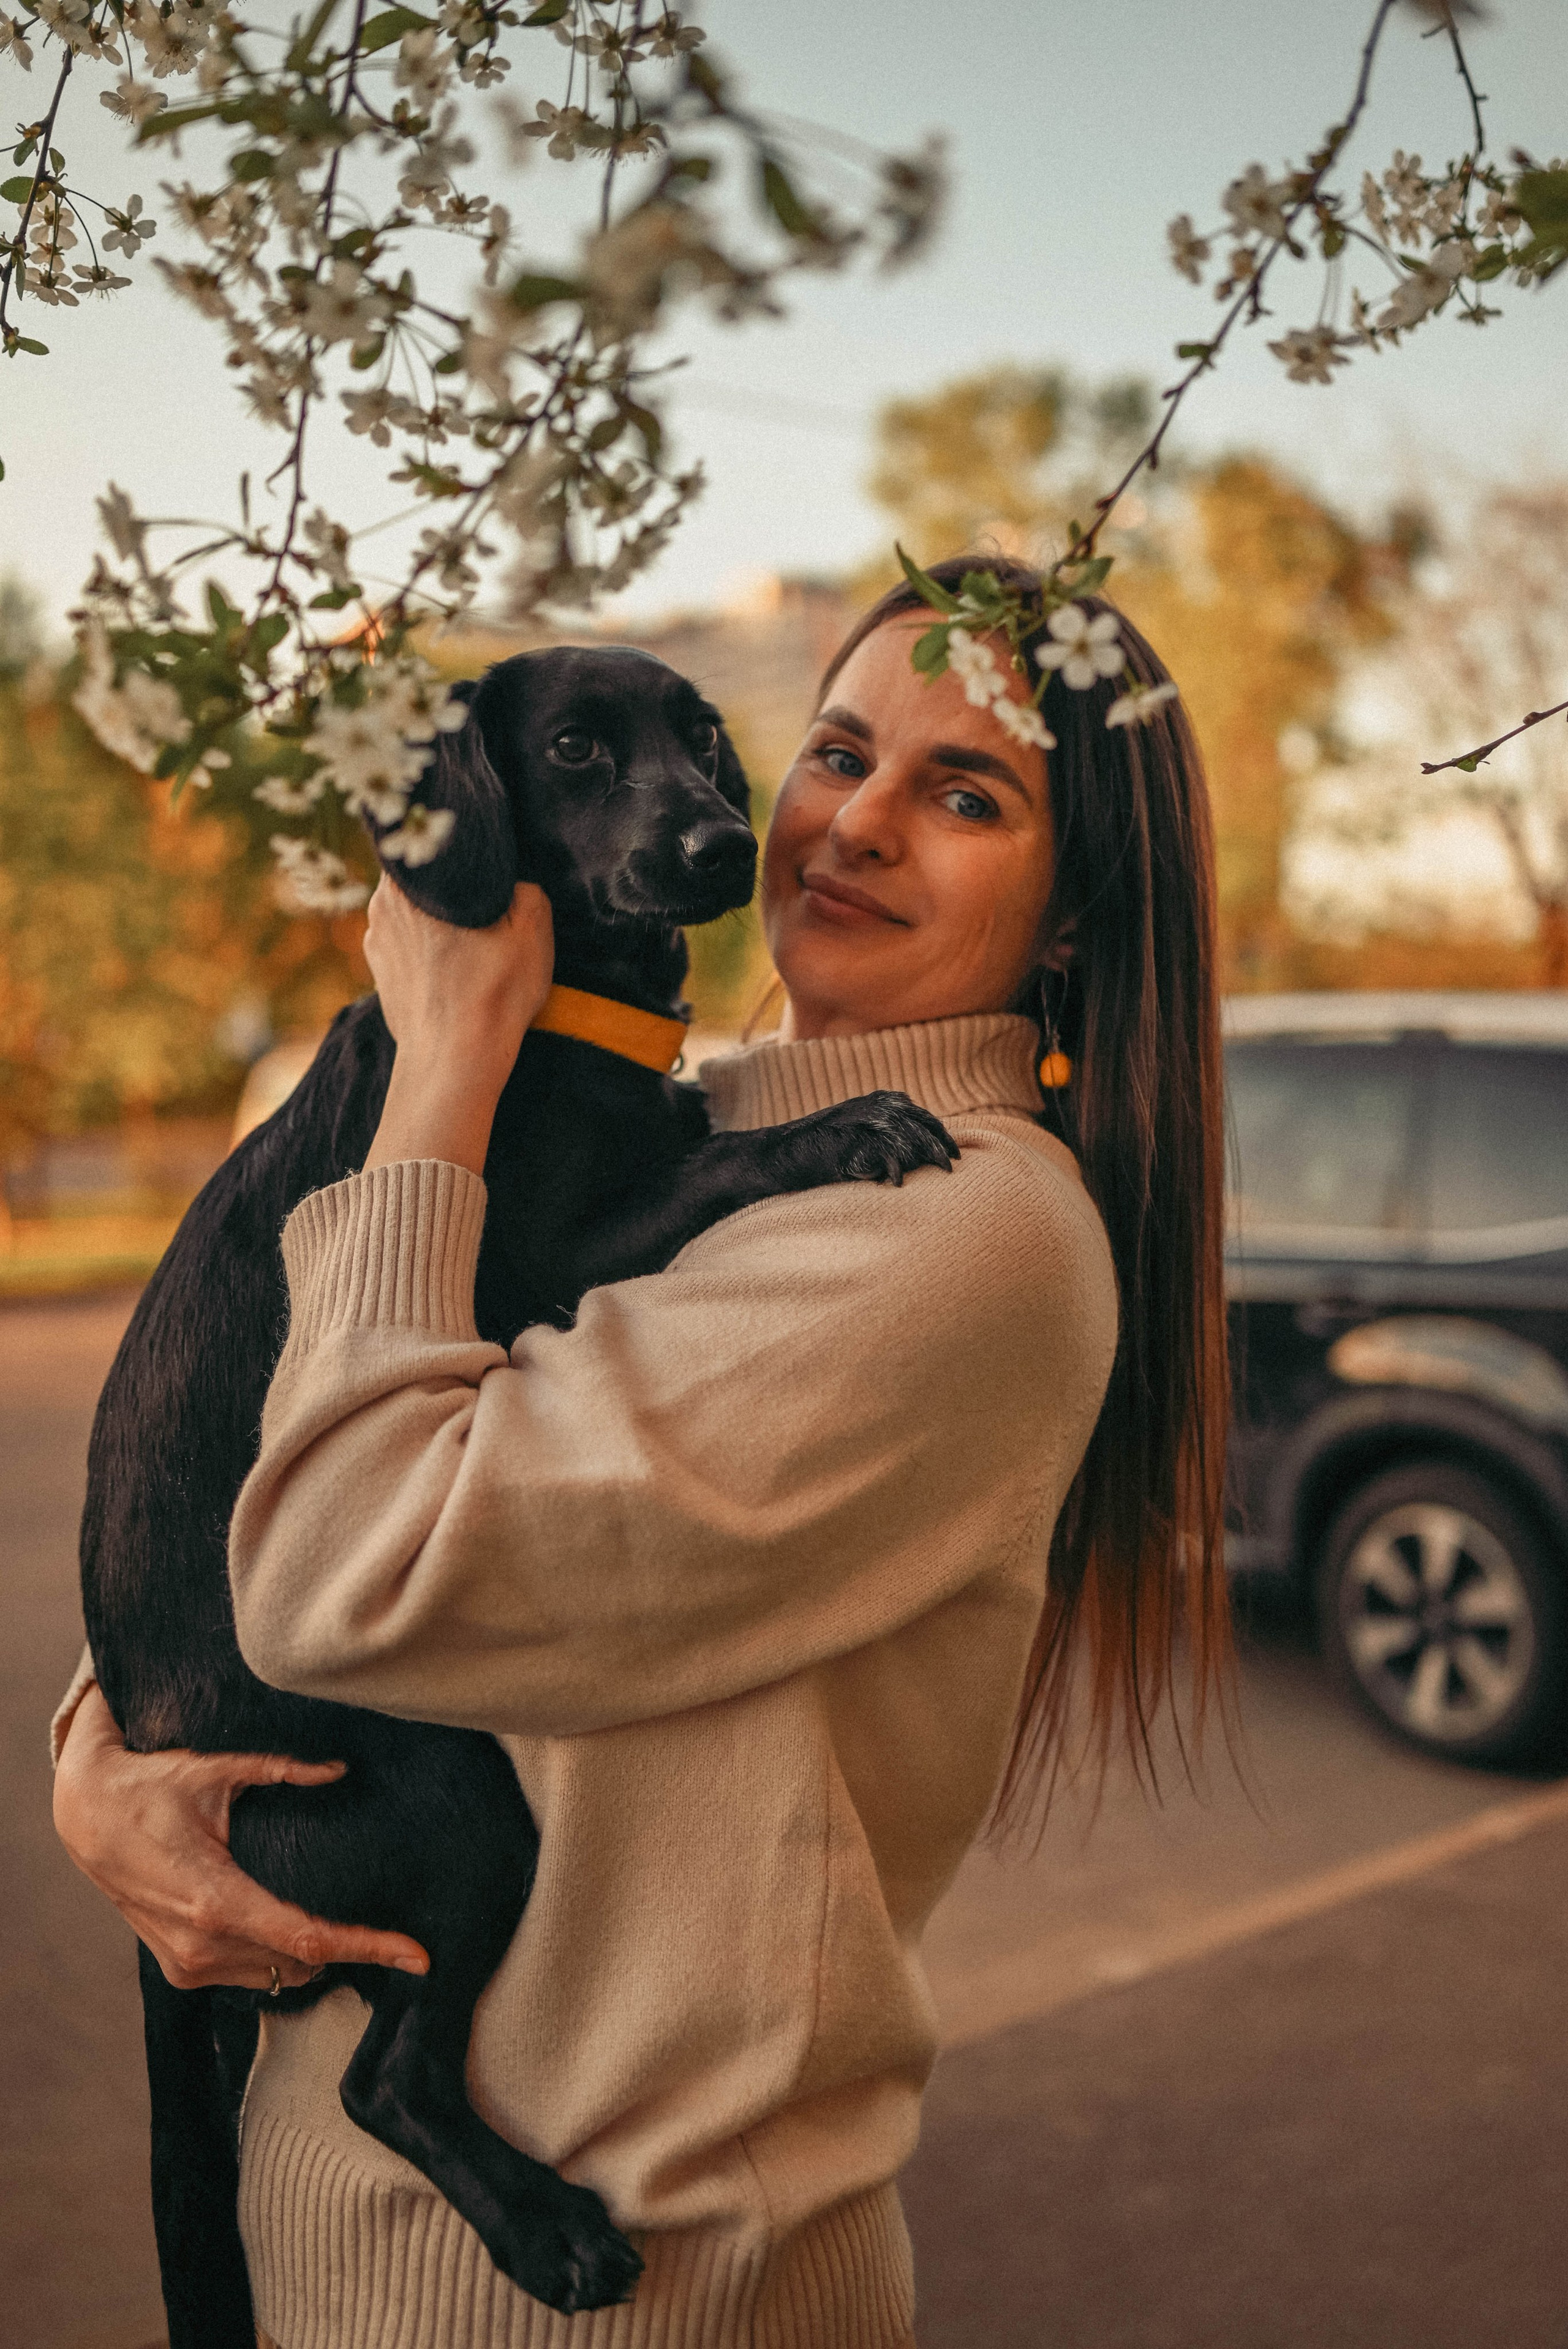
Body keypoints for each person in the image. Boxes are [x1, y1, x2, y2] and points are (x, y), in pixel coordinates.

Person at [53, 557, 1231, 2349]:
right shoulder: (686, 1137)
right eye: (841, 754)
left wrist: (443, 1052)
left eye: (967, 791)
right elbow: (244, 1470)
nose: (858, 824)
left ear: (1075, 918)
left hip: (627, 2294)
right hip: (347, 2250)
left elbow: (340, 1569)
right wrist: (105, 1755)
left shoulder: (964, 1233)